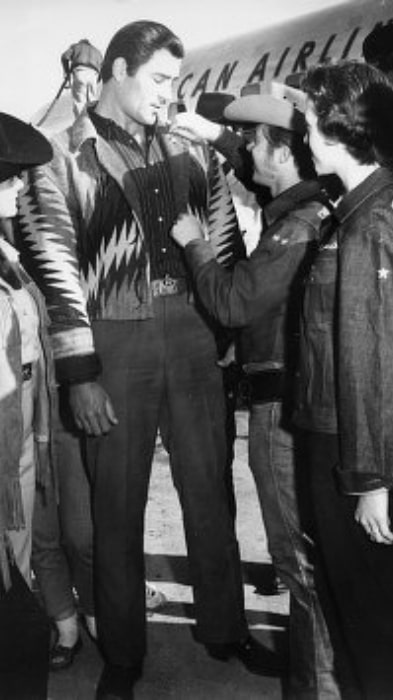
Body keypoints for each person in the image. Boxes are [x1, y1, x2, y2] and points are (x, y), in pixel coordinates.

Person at [16, 20, 279, 700]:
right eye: (159, 79)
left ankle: (224, 629)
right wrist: (80, 372)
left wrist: (222, 337)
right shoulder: (59, 156)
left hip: (192, 335)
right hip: (112, 338)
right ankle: (124, 654)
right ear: (116, 72)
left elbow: (223, 245)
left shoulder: (193, 151)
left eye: (175, 80)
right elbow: (53, 266)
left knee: (210, 495)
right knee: (116, 507)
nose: (170, 94)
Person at [170, 90, 339, 698]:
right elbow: (243, 165)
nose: (245, 151)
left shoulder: (294, 226)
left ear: (285, 153)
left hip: (280, 403)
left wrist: (194, 242)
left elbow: (235, 301)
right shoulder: (312, 205)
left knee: (298, 562)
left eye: (256, 142)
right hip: (302, 398)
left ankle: (315, 686)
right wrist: (210, 135)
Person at [31, 38, 167, 674]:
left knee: (94, 523)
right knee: (56, 530)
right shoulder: (56, 146)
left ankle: (102, 618)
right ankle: (75, 627)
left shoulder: (110, 145)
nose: (83, 83)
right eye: (76, 74)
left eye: (89, 73)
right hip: (47, 385)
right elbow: (57, 270)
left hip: (74, 374)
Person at [294, 60, 393, 699]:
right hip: (349, 441)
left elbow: (368, 355)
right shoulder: (358, 210)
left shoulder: (368, 226)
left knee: (368, 629)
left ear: (335, 129)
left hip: (350, 451)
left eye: (307, 123)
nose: (303, 137)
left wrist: (370, 482)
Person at [0, 112, 54, 699]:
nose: (20, 187)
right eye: (11, 177)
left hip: (20, 425)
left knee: (17, 551)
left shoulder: (7, 251)